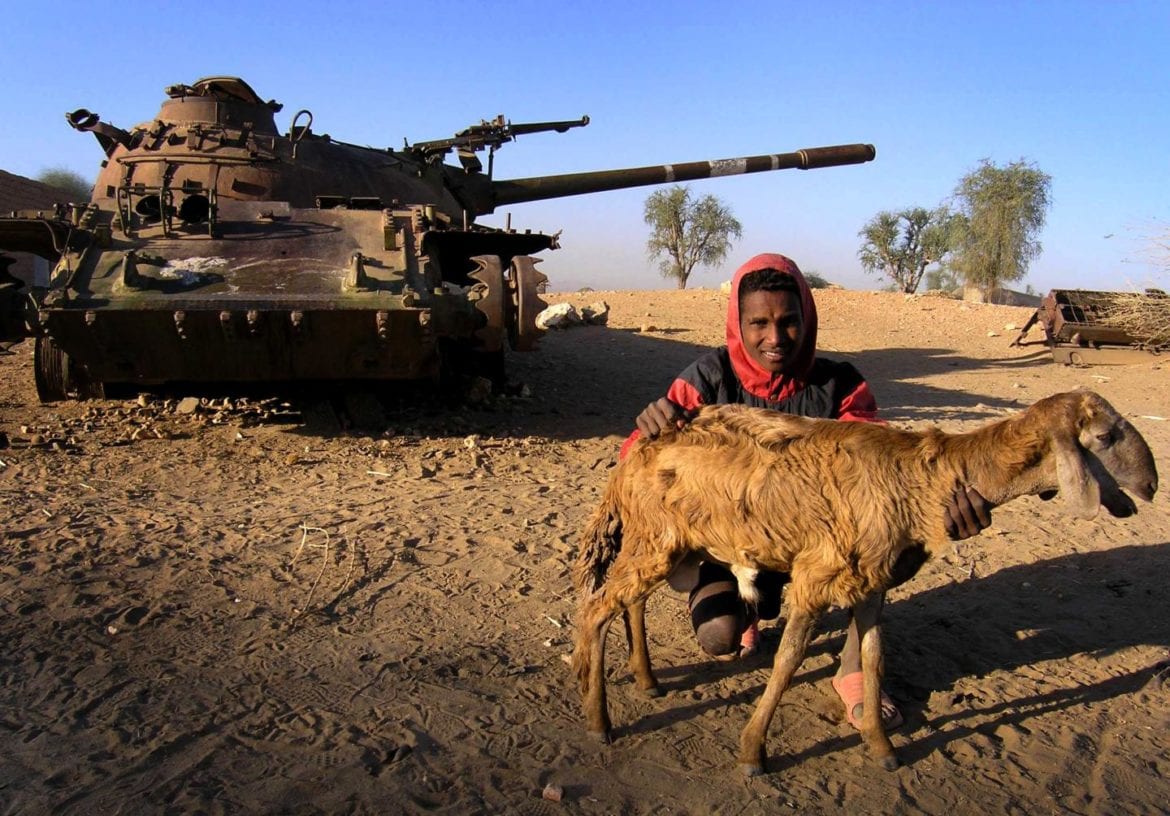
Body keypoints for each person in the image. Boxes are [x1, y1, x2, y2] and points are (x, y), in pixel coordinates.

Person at [622, 252, 992, 730]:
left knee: (880, 546)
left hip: (818, 545)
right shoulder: (707, 379)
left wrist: (940, 510)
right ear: (738, 322)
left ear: (808, 318)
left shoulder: (840, 386)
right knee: (718, 637)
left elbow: (881, 474)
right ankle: (748, 611)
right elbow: (642, 468)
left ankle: (855, 670)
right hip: (728, 546)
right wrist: (648, 433)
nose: (774, 338)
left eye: (788, 321)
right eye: (758, 322)